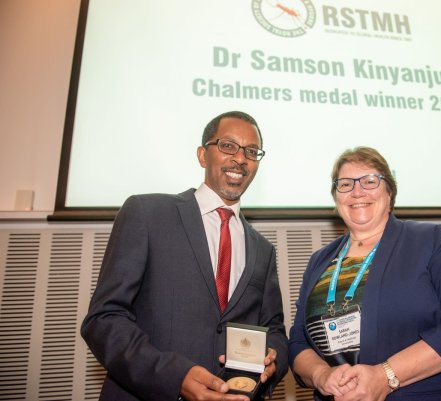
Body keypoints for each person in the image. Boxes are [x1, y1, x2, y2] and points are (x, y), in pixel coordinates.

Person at [81, 111, 288, 401]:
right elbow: (104, 320)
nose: (240, 159)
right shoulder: (147, 213)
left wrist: (273, 359)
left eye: (251, 152)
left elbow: (275, 330)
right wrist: (174, 377)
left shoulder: (263, 250)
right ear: (203, 155)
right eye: (228, 146)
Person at [288, 147, 441, 401]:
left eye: (370, 181)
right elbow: (299, 342)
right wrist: (321, 375)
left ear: (389, 191)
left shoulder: (431, 240)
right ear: (335, 197)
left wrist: (385, 376)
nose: (357, 191)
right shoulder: (319, 261)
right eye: (345, 184)